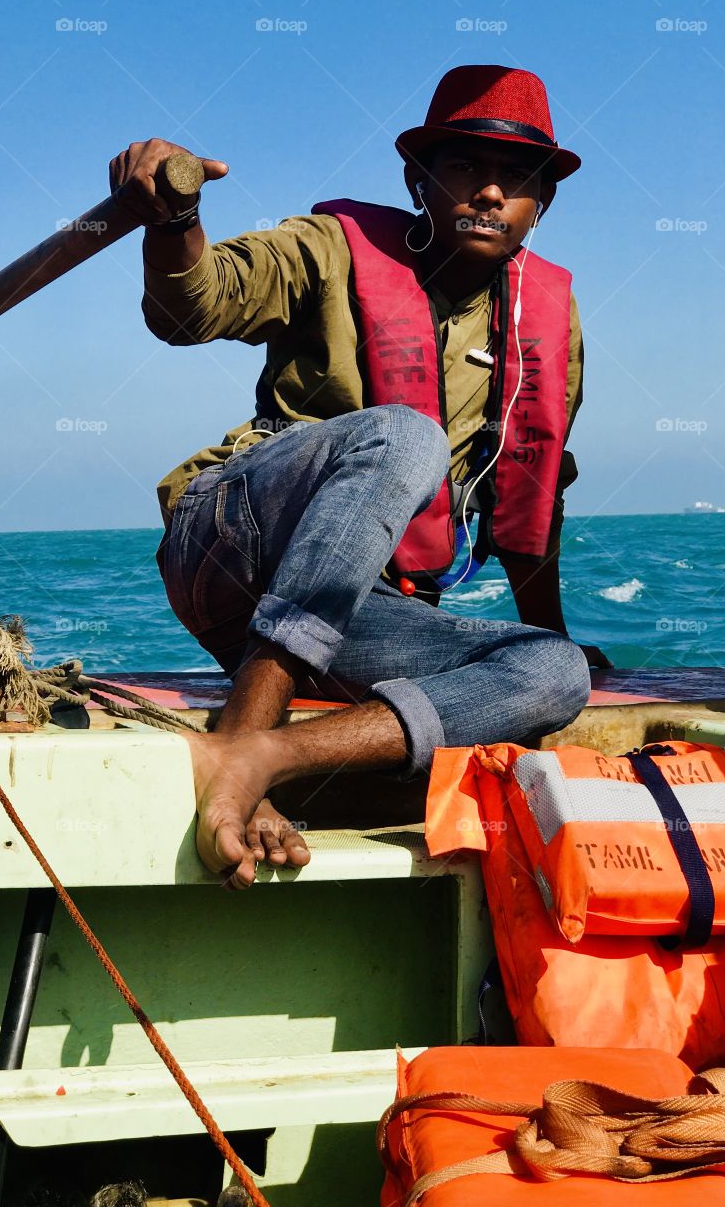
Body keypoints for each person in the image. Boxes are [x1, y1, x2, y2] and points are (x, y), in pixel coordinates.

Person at [110, 65, 603, 889]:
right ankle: (247, 727)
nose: (489, 193)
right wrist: (176, 216)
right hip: (231, 545)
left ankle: (260, 755)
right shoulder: (330, 248)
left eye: (517, 178)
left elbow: (534, 488)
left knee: (558, 672)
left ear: (542, 203)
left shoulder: (548, 319)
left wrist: (552, 632)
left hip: (348, 613)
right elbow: (189, 307)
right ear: (418, 181)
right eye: (463, 169)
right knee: (406, 437)